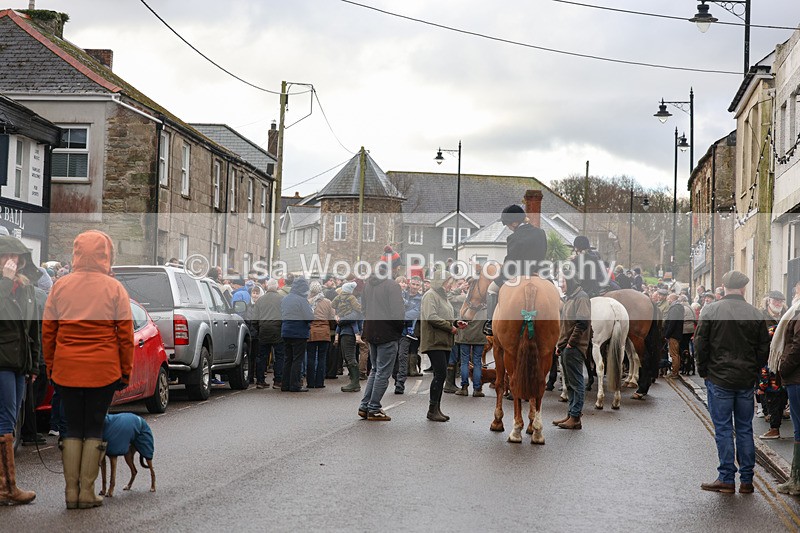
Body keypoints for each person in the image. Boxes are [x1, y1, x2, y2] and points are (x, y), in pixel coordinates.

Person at [43, 230, 134, 509]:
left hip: (67, 368)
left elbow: (49, 330)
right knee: (94, 425)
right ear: (106, 255)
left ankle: (71, 492)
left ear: (76, 252)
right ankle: (87, 492)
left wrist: (51, 365)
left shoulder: (60, 285)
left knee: (71, 426)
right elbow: (125, 335)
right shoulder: (114, 288)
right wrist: (125, 371)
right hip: (103, 369)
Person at [694, 271, 770, 494]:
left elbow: (700, 344)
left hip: (719, 378)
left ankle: (726, 478)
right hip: (745, 380)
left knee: (724, 429)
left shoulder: (711, 310)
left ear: (724, 287)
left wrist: (704, 371)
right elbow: (763, 349)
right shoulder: (755, 313)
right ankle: (747, 480)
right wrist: (754, 372)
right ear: (744, 288)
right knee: (745, 429)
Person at [0, 236, 42, 505]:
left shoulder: (26, 289)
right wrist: (4, 282)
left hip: (20, 364)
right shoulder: (3, 288)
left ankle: (5, 484)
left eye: (19, 258)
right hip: (2, 362)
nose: (15, 262)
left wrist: (34, 364)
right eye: (9, 257)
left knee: (12, 420)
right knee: (4, 421)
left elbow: (33, 330)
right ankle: (7, 487)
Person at [484, 205, 547, 336]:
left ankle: (490, 323)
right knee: (556, 293)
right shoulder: (541, 233)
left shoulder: (513, 238)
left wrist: (502, 274)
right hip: (537, 273)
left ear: (514, 223)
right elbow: (542, 254)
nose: (508, 228)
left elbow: (511, 262)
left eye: (507, 225)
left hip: (517, 275)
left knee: (491, 289)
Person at [358, 263, 405, 421]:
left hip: (371, 331)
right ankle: (374, 408)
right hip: (387, 333)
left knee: (375, 371)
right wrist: (399, 330)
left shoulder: (367, 285)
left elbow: (363, 308)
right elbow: (398, 313)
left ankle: (365, 406)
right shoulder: (392, 286)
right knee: (383, 373)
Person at [421, 271, 464, 422]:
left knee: (441, 375)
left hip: (444, 341)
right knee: (439, 375)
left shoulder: (442, 296)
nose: (449, 286)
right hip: (434, 341)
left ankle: (436, 408)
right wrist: (449, 327)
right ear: (440, 282)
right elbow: (431, 317)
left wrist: (455, 323)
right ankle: (432, 410)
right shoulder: (430, 295)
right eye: (447, 283)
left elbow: (445, 315)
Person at [553, 269, 591, 430]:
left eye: (563, 282)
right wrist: (560, 345)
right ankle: (570, 414)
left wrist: (570, 344)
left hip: (574, 347)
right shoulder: (571, 297)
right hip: (566, 347)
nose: (561, 285)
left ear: (571, 282)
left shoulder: (581, 297)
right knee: (569, 383)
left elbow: (582, 323)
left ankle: (575, 417)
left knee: (576, 382)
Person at [774, 296, 800, 494]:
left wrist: (783, 367)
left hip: (797, 379)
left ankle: (796, 480)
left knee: (798, 428)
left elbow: (796, 347)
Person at [758, 290, 789, 439]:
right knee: (768, 391)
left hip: (784, 360)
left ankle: (776, 416)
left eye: (780, 301)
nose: (778, 304)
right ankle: (770, 417)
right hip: (766, 360)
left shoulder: (787, 316)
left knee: (782, 393)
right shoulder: (761, 317)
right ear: (769, 301)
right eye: (775, 301)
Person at [280, 277, 314, 392]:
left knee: (287, 358)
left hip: (286, 331)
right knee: (297, 360)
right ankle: (295, 385)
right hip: (299, 333)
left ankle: (285, 384)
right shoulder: (302, 300)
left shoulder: (285, 299)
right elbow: (309, 317)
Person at [253, 279, 285, 389]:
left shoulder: (260, 300)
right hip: (277, 330)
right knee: (279, 356)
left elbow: (254, 319)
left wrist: (258, 329)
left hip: (263, 330)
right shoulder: (282, 299)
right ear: (276, 287)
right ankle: (278, 381)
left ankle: (260, 381)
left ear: (267, 287)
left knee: (262, 356)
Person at [394, 275, 423, 393]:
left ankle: (400, 383)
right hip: (394, 330)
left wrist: (399, 316)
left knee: (402, 356)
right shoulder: (401, 294)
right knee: (394, 356)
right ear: (409, 284)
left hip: (407, 332)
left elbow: (415, 313)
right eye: (413, 284)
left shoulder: (420, 299)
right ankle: (395, 377)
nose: (415, 287)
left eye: (417, 285)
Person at [333, 281, 362, 393]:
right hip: (346, 332)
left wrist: (340, 320)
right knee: (347, 357)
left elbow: (354, 316)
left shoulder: (354, 303)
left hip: (349, 334)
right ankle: (353, 382)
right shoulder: (348, 302)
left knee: (350, 357)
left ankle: (355, 383)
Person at [454, 299, 487, 398]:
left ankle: (464, 388)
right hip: (480, 337)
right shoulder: (486, 308)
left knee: (464, 362)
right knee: (477, 362)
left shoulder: (466, 306)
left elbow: (458, 319)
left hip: (465, 336)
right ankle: (477, 389)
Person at [307, 281, 335, 389]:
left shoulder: (308, 302)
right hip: (324, 332)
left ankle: (310, 382)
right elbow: (332, 316)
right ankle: (319, 382)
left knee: (311, 357)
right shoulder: (328, 302)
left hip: (312, 332)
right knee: (322, 358)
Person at [663, 293, 684, 379]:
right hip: (677, 333)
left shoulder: (674, 308)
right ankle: (675, 371)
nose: (668, 301)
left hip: (673, 334)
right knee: (675, 354)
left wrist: (667, 334)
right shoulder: (679, 307)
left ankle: (674, 373)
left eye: (668, 299)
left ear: (671, 299)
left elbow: (672, 323)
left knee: (674, 354)